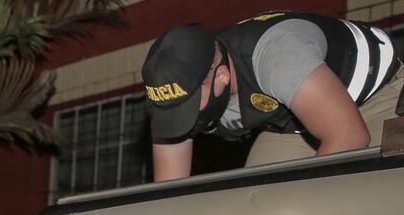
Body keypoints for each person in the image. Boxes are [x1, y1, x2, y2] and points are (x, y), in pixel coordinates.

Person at [144, 12, 403, 181]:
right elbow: (169, 188)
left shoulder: (277, 57)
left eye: (187, 106)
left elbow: (350, 137)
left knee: (367, 193)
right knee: (259, 199)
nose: (179, 118)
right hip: (292, 119)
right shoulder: (176, 89)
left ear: (221, 76)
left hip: (378, 96)